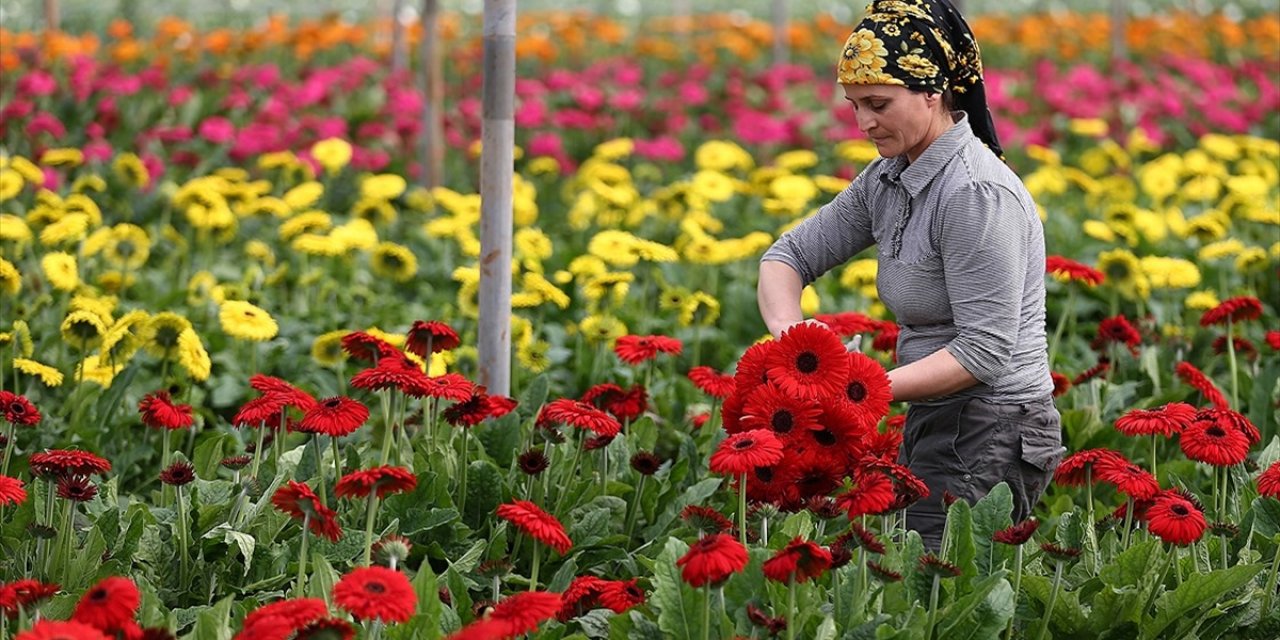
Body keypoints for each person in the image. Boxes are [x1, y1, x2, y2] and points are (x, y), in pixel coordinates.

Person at [757, 0, 1065, 550]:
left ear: (933, 91)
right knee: (916, 578)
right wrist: (796, 344)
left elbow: (984, 352)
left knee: (935, 582)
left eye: (879, 104)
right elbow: (789, 255)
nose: (864, 123)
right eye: (854, 105)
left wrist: (858, 388)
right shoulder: (887, 177)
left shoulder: (974, 193)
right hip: (937, 413)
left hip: (994, 424)